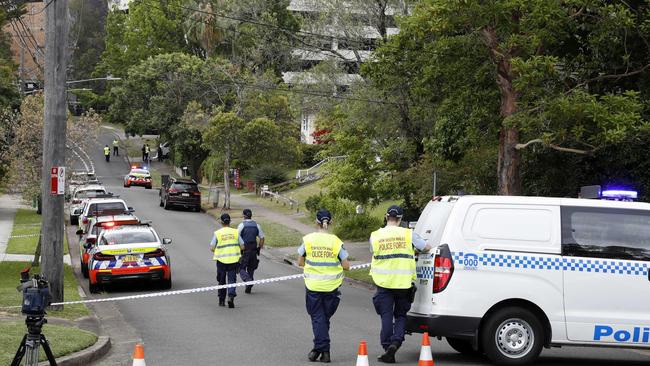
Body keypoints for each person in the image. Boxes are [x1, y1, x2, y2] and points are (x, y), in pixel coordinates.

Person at [370, 205, 431, 363]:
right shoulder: (408, 234)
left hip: (383, 283)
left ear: (386, 216)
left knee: (386, 316)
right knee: (400, 316)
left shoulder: (375, 235)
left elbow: (373, 251)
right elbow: (425, 247)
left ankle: (387, 347)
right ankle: (396, 343)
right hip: (403, 284)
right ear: (401, 219)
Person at [298, 209, 350, 363]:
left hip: (313, 286)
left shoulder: (308, 239)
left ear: (316, 222)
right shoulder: (336, 241)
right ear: (330, 222)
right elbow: (346, 265)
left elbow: (300, 262)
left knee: (318, 318)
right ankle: (319, 350)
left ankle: (323, 350)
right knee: (323, 319)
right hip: (332, 287)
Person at [210, 213, 242, 308]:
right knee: (232, 280)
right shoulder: (235, 232)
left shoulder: (218, 233)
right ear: (230, 221)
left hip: (221, 261)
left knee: (221, 280)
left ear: (221, 222)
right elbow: (243, 245)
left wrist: (219, 252)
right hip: (233, 261)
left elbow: (212, 247)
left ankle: (221, 300)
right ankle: (231, 297)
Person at [237, 208, 264, 293]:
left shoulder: (241, 225)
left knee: (241, 267)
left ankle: (248, 280)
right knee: (251, 268)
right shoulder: (257, 225)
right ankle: (249, 284)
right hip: (254, 249)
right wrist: (259, 248)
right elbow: (262, 238)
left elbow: (237, 237)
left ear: (244, 216)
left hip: (245, 249)